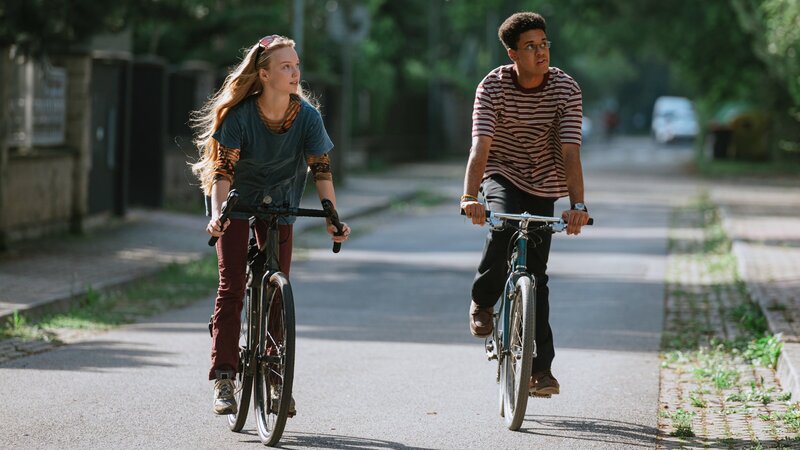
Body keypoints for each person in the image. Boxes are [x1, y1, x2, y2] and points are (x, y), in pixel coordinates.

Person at [191, 34, 351, 415]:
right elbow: (223, 172)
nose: (295, 73)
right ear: (263, 74)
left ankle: (276, 381)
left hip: (280, 202)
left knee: (278, 290)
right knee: (231, 287)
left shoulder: (307, 118)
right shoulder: (240, 116)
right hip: (235, 199)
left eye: (296, 66)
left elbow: (322, 172)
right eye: (285, 67)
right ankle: (225, 378)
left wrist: (332, 216)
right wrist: (217, 215)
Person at [460, 12, 590, 397]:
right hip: (501, 172)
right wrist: (469, 197)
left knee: (537, 276)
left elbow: (570, 153)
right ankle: (482, 302)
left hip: (546, 181)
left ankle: (541, 371)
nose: (540, 52)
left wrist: (577, 203)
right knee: (501, 227)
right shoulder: (493, 87)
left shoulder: (566, 89)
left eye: (544, 44)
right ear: (512, 53)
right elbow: (480, 148)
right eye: (530, 46)